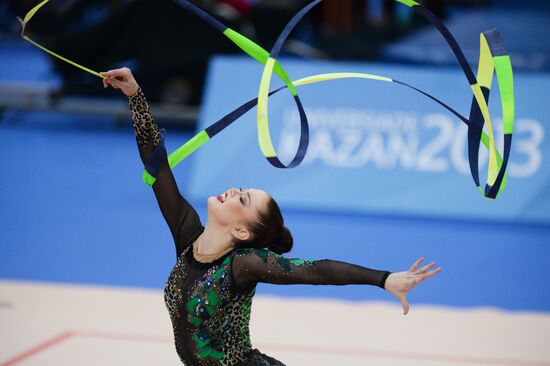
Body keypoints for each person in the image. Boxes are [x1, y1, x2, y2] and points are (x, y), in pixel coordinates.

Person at [101, 67, 442, 366]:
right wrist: (134, 94)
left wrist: (384, 279)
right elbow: (157, 164)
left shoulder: (243, 264)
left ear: (241, 230)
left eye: (243, 199)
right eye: (242, 190)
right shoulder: (187, 235)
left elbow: (316, 271)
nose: (234, 190)